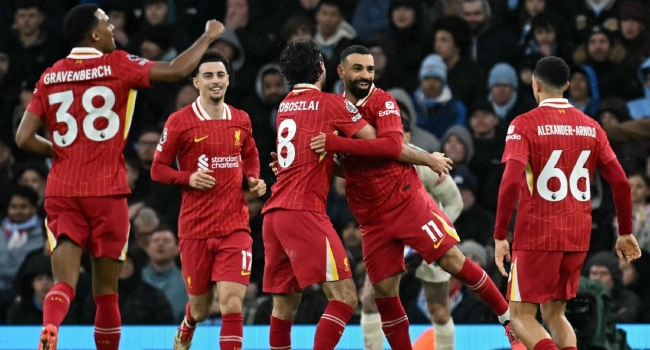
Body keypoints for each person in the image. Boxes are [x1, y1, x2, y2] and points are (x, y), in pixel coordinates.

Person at [14, 4, 225, 349]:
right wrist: (209, 35)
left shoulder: (50, 75)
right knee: (106, 295)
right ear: (94, 34)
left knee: (63, 283)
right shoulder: (117, 64)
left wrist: (63, 151)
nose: (112, 28)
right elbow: (175, 70)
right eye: (107, 23)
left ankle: (51, 326)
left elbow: (23, 138)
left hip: (62, 189)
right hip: (106, 190)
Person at [310, 45, 522, 350]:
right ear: (342, 72)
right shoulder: (332, 110)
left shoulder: (383, 101)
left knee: (452, 261)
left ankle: (508, 321)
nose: (365, 76)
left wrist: (332, 142)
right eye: (358, 69)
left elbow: (390, 147)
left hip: (406, 201)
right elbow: (347, 168)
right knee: (383, 293)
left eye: (370, 69)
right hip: (371, 217)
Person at [262, 39, 452, 350]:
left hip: (274, 213)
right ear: (322, 69)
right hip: (304, 212)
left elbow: (306, 152)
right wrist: (428, 158)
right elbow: (385, 146)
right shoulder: (332, 104)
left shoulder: (284, 106)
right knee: (346, 298)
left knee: (284, 306)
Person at [493, 56, 642, 350]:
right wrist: (625, 232)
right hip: (576, 234)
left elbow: (510, 181)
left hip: (537, 233)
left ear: (536, 86)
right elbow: (622, 183)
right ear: (568, 86)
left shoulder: (524, 124)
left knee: (521, 315)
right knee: (555, 313)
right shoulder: (592, 127)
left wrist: (500, 234)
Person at [150, 50, 265, 350]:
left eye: (220, 75)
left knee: (231, 304)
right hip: (195, 229)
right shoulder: (179, 122)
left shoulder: (241, 119)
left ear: (228, 80)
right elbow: (157, 169)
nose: (215, 81)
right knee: (201, 309)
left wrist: (252, 177)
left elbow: (251, 154)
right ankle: (188, 323)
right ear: (196, 81)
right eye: (208, 75)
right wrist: (187, 177)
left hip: (235, 227)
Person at [359, 113, 463, 350]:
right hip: (391, 240)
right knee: (370, 300)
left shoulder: (423, 161)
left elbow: (455, 202)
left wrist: (431, 234)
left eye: (398, 132)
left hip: (430, 239)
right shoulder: (370, 161)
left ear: (407, 136)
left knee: (438, 309)